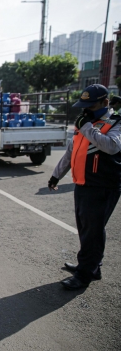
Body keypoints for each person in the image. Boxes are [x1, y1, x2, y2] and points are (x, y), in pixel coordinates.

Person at [48, 84, 121, 290]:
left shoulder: (116, 123)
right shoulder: (85, 123)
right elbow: (71, 153)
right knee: (86, 228)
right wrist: (56, 176)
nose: (86, 110)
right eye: (84, 106)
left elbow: (112, 146)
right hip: (82, 184)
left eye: (91, 105)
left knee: (92, 231)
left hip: (103, 186)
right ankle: (91, 266)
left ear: (105, 103)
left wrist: (88, 127)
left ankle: (84, 275)